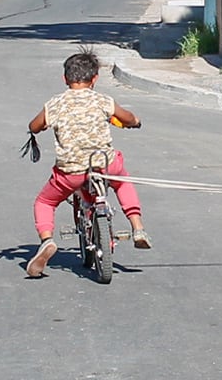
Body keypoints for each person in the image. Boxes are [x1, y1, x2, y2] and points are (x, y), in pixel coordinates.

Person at [24, 48, 148, 277]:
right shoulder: (102, 100)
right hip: (104, 166)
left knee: (44, 202)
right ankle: (137, 227)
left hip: (71, 172)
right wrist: (135, 121)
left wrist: (39, 128)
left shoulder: (55, 104)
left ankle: (47, 241)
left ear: (65, 79)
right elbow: (127, 117)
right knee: (122, 182)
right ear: (95, 79)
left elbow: (34, 126)